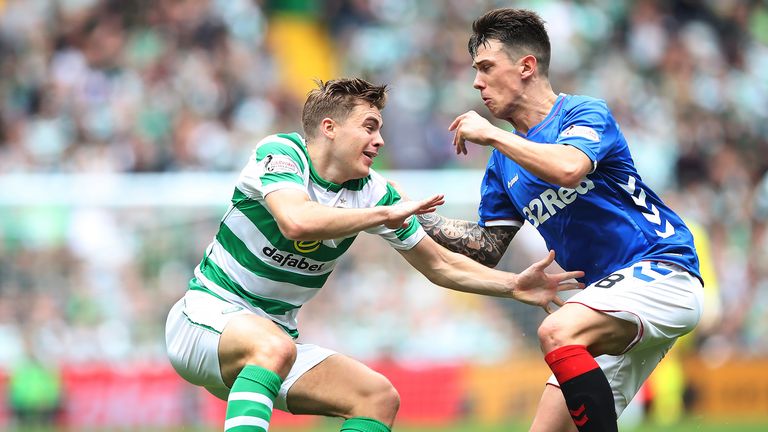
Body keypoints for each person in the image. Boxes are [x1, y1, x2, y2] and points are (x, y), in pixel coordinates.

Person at [164, 77, 583, 432]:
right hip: (205, 321)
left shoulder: (371, 192)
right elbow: (296, 220)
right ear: (329, 127)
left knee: (377, 397)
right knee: (273, 346)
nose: (379, 140)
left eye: (379, 129)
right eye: (369, 127)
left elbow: (438, 265)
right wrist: (381, 214)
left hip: (272, 345)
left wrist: (512, 284)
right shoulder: (280, 153)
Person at [416, 8, 704, 432]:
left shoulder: (584, 113)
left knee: (556, 330)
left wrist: (493, 134)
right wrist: (406, 217)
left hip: (664, 270)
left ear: (526, 67)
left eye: (486, 68)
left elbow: (569, 168)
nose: (476, 82)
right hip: (610, 304)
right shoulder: (502, 166)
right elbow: (487, 247)